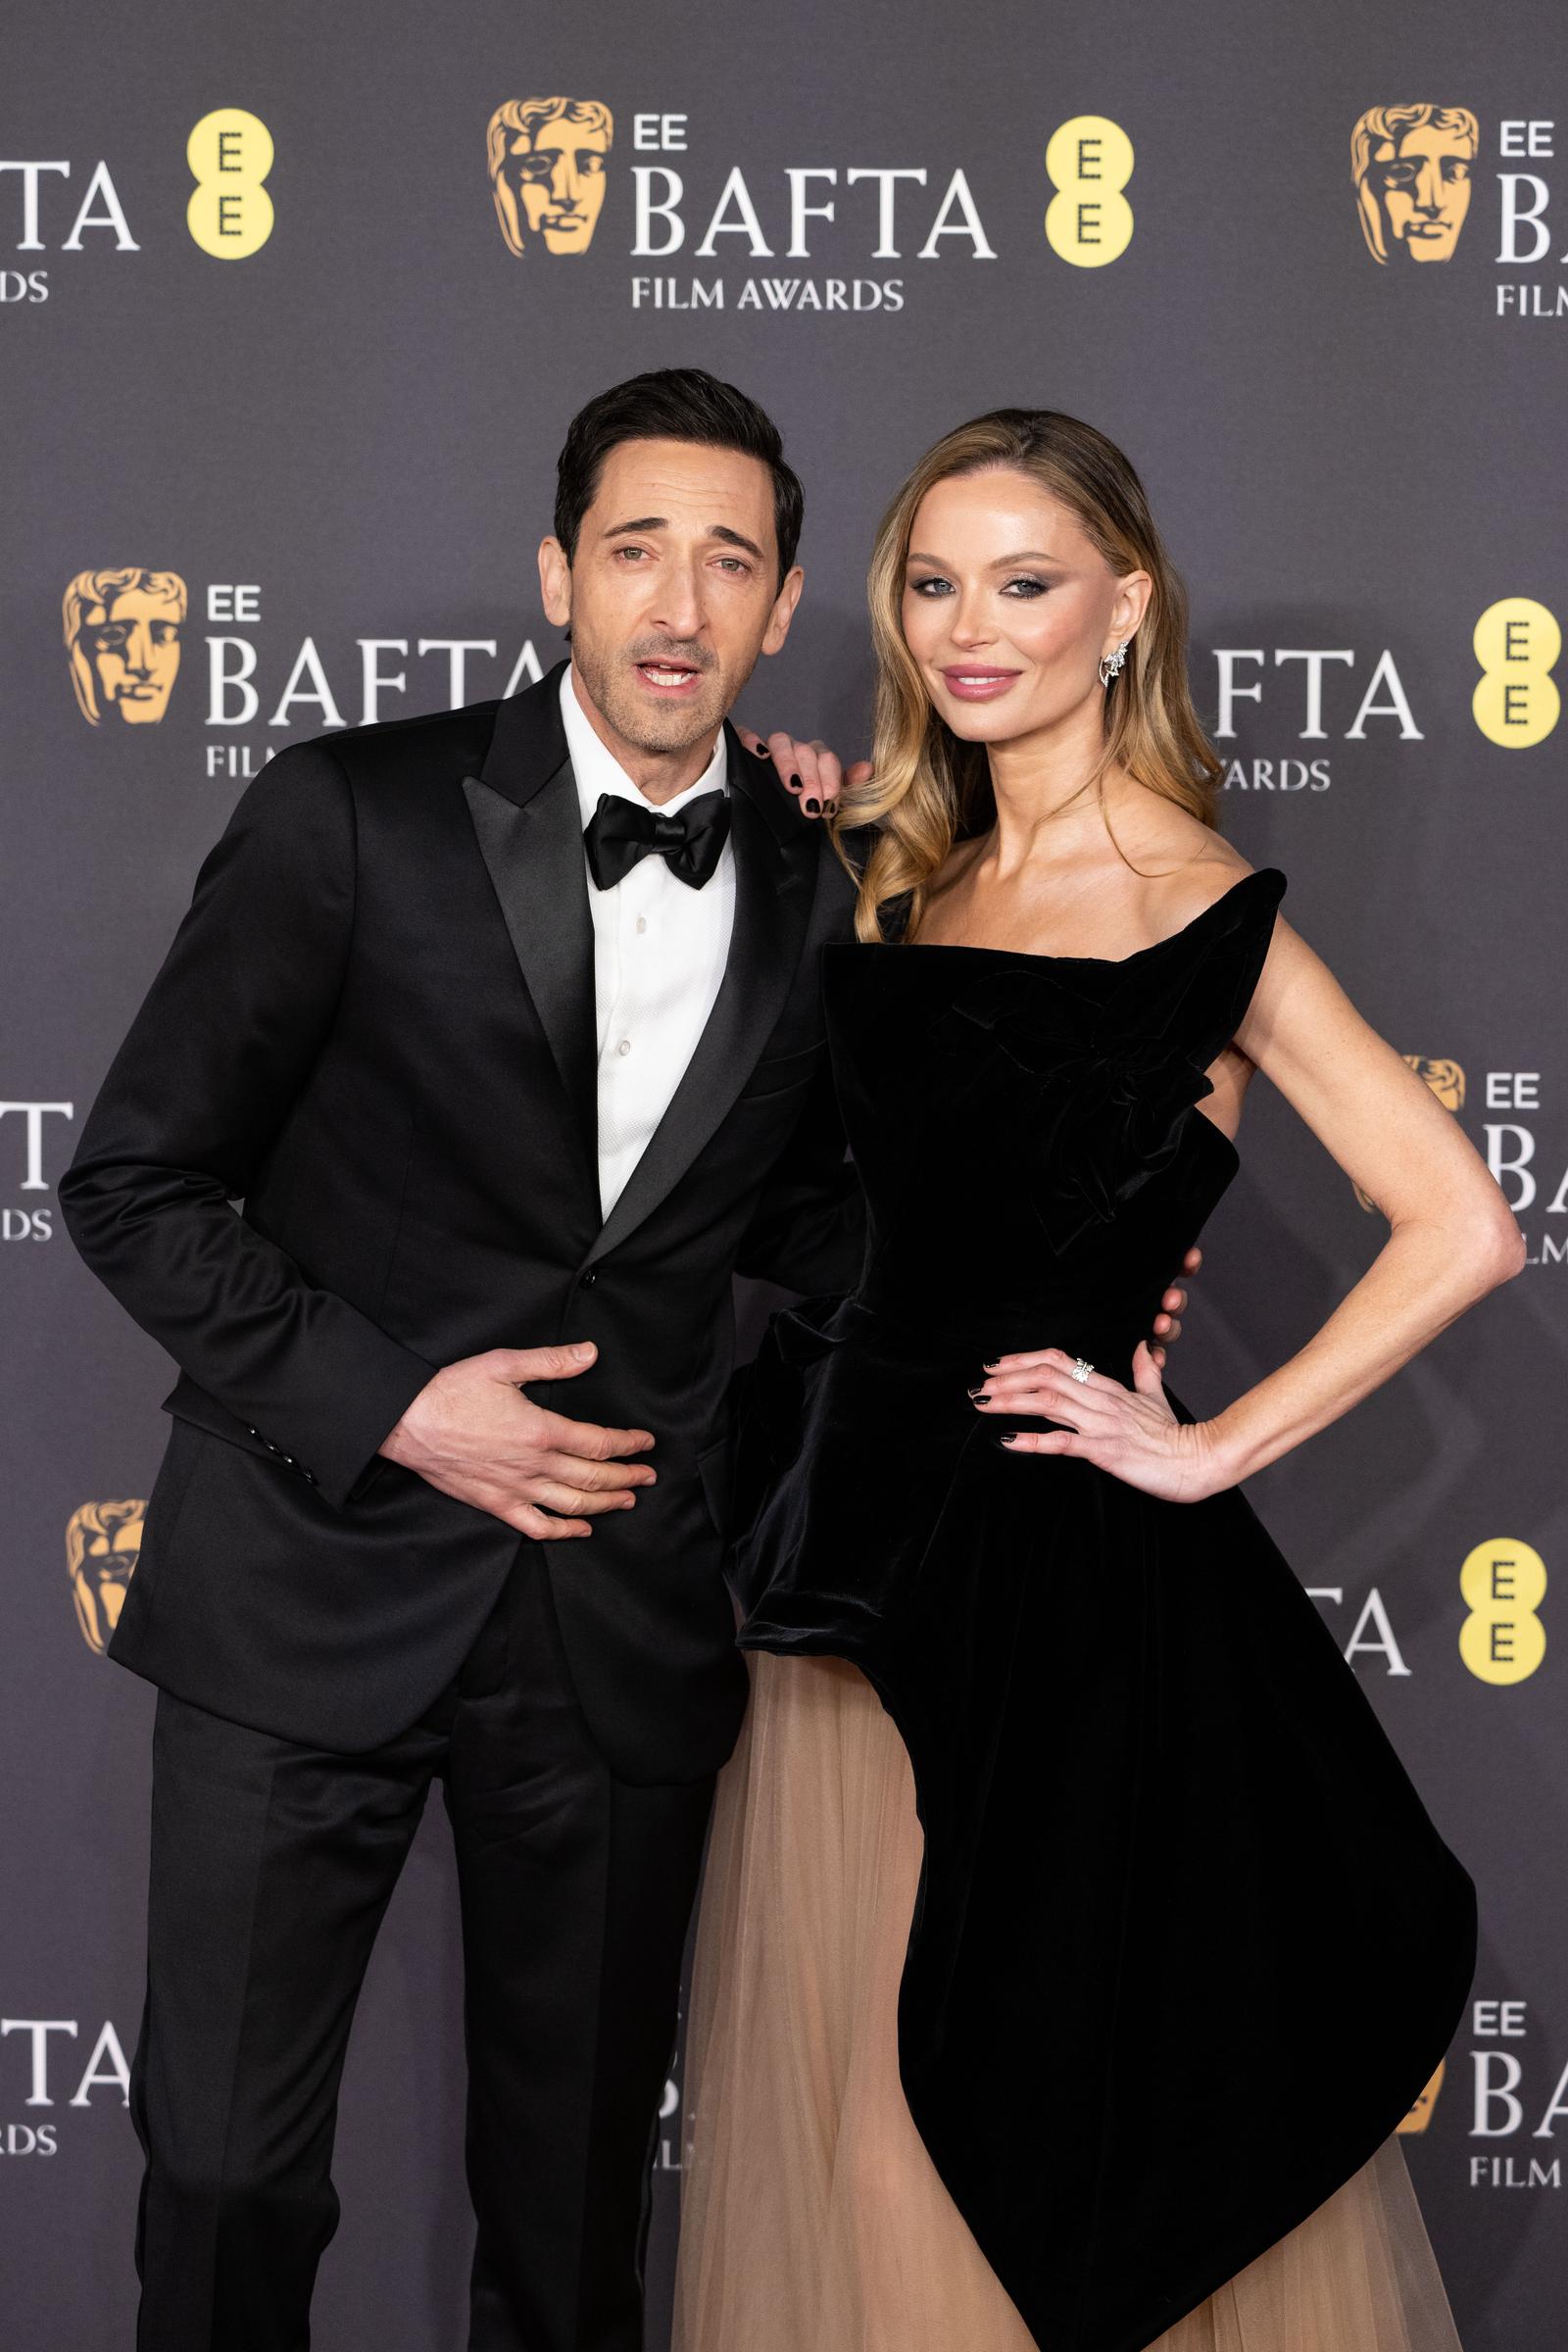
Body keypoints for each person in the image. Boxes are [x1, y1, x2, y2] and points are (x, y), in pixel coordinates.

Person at [59, 365, 1197, 2352]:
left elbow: (820, 1230)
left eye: (729, 559)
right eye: (634, 548)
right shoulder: (349, 811)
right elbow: (139, 1184)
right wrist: (400, 1404)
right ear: (554, 575)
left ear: (776, 615)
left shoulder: (829, 885)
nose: (677, 602)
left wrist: (1065, 1293)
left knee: (574, 2218)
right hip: (298, 1587)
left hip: (607, 1631)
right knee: (230, 2176)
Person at [672, 409, 1520, 2352]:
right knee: (863, 2133)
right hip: (850, 1566)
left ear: (1122, 609)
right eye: (933, 582)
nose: (971, 628)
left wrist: (1209, 1439)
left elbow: (1459, 1226)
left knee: (990, 2127)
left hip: (1052, 1597)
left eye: (1024, 583)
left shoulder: (1198, 905)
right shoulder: (906, 877)